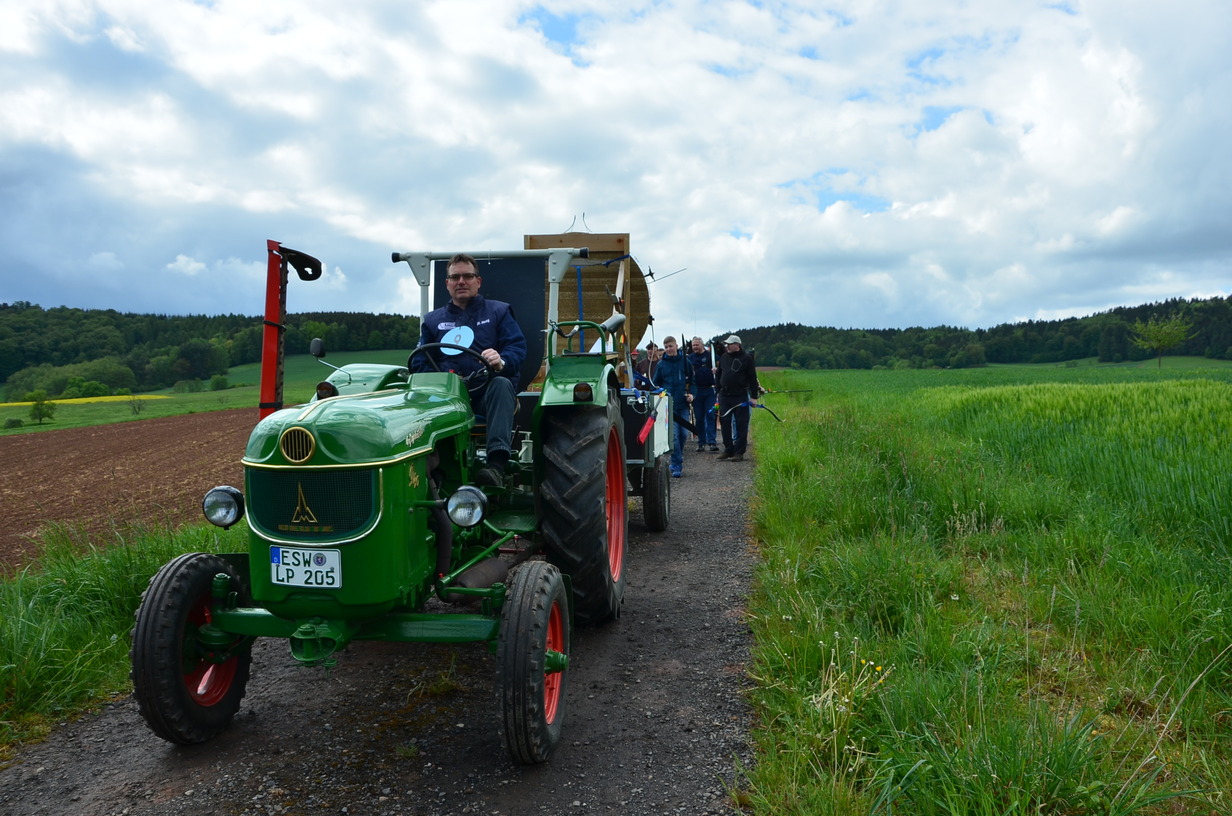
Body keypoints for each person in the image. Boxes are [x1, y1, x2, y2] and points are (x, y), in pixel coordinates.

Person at [410, 253, 527, 487]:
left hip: (485, 394)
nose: (461, 282)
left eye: (467, 276)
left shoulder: (499, 312)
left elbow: (516, 348)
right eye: (455, 277)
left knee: (502, 384)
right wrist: (438, 378)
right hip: (446, 396)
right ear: (447, 284)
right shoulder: (432, 321)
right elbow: (420, 362)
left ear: (478, 281)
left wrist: (501, 360)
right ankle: (432, 469)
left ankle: (496, 466)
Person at [651, 336, 693, 478]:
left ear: (676, 346)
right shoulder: (661, 365)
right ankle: (676, 464)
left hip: (683, 405)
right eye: (666, 347)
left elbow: (693, 382)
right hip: (668, 406)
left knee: (683, 435)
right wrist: (661, 394)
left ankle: (677, 457)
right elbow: (655, 385)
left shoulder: (686, 363)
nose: (668, 349)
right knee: (673, 436)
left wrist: (692, 394)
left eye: (670, 346)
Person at [716, 334, 759, 462]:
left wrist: (754, 397)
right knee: (725, 422)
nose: (727, 346)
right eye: (727, 344)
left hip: (740, 396)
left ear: (737, 345)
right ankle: (728, 449)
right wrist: (718, 390)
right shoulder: (724, 357)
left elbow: (752, 378)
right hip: (724, 396)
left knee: (741, 424)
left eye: (730, 344)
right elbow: (719, 374)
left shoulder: (747, 358)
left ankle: (739, 452)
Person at [687, 336, 718, 452]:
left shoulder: (711, 356)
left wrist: (717, 370)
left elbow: (720, 365)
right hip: (697, 391)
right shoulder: (690, 358)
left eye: (697, 345)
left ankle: (712, 442)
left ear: (702, 344)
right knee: (699, 418)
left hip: (710, 391)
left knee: (711, 416)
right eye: (693, 345)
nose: (695, 347)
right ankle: (701, 442)